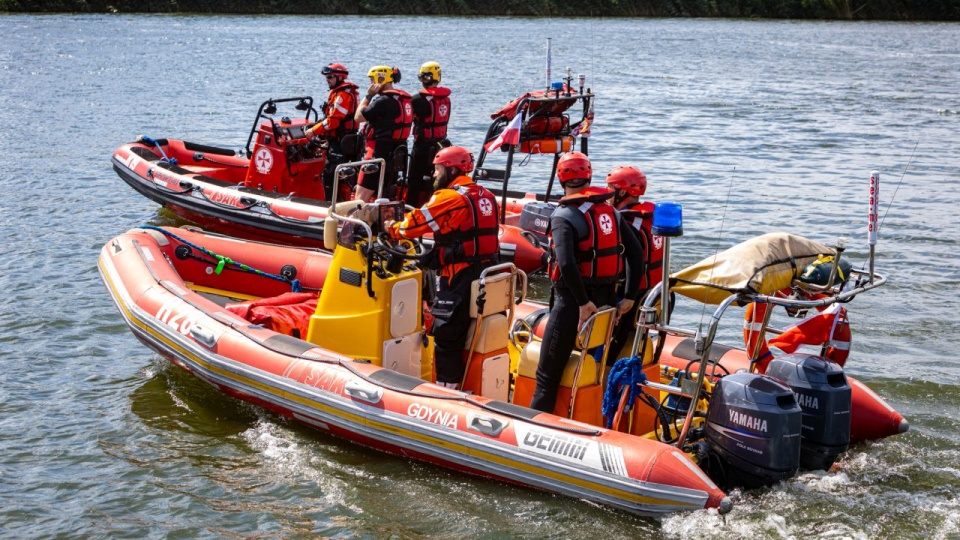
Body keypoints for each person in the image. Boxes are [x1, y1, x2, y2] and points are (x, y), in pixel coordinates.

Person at [530, 152, 645, 414]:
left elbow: (566, 263)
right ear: (589, 176)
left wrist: (583, 303)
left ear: (560, 178)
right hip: (605, 304)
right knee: (590, 367)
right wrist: (629, 297)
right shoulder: (611, 212)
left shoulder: (563, 215)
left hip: (573, 305)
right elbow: (636, 254)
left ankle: (536, 424)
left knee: (546, 377)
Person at [387, 146, 500, 389]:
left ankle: (446, 392)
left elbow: (410, 227)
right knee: (467, 335)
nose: (434, 175)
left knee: (447, 338)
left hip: (459, 277)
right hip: (486, 274)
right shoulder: (486, 196)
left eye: (438, 169)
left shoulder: (449, 197)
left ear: (452, 170)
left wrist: (389, 227)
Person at [604, 165, 664, 360]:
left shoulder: (627, 223)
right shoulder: (652, 218)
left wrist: (627, 298)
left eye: (610, 188)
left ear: (622, 192)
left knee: (608, 347)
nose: (606, 193)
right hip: (653, 293)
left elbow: (633, 260)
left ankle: (604, 367)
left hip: (630, 296)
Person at [354, 65, 413, 202]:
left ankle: (358, 216)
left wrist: (369, 95)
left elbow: (358, 117)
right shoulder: (405, 101)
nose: (370, 84)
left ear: (380, 79)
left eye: (372, 80)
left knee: (360, 197)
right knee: (384, 196)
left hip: (376, 155)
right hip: (395, 158)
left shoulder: (382, 101)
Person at [304, 63, 359, 202]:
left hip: (340, 142)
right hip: (348, 140)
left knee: (330, 175)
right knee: (341, 174)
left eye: (330, 77)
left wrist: (313, 131)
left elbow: (333, 122)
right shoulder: (348, 93)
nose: (327, 80)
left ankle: (329, 205)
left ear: (339, 77)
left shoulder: (342, 95)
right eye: (326, 77)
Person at [406, 61, 452, 207]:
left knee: (414, 180)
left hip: (422, 147)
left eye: (424, 77)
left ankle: (411, 208)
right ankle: (434, 205)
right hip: (441, 146)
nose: (423, 81)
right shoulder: (446, 99)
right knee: (436, 179)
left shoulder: (417, 99)